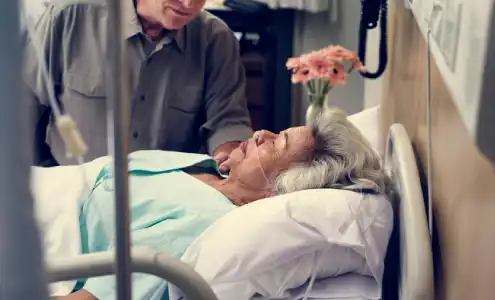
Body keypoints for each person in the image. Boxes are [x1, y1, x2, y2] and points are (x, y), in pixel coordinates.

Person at [52, 109, 389, 300]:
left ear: (281, 189)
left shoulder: (197, 226)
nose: (262, 134)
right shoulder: (209, 167)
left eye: (276, 144)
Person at [23, 0, 253, 167]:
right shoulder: (69, 17)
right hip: (72, 192)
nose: (188, 3)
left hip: (165, 202)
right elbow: (20, 109)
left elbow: (227, 120)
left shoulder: (216, 39)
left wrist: (230, 154)